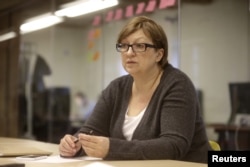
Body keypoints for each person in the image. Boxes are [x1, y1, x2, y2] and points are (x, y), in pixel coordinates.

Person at [59, 16, 211, 163]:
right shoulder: (116, 88)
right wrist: (75, 144)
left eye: (139, 46)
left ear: (159, 54)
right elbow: (90, 131)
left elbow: (173, 145)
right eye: (124, 45)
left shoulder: (177, 84)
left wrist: (112, 148)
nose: (129, 52)